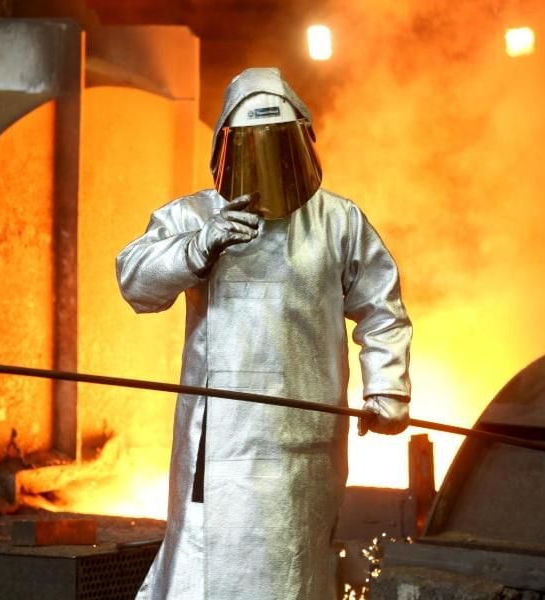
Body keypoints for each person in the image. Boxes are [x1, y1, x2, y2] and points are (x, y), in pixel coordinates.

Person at [116, 67, 412, 600]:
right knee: (201, 567)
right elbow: (136, 282)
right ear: (225, 151)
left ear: (302, 141)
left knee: (294, 567)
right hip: (217, 447)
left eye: (280, 149)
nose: (269, 169)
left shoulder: (338, 222)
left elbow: (381, 308)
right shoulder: (193, 217)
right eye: (252, 152)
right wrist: (197, 247)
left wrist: (386, 386)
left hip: (303, 444)